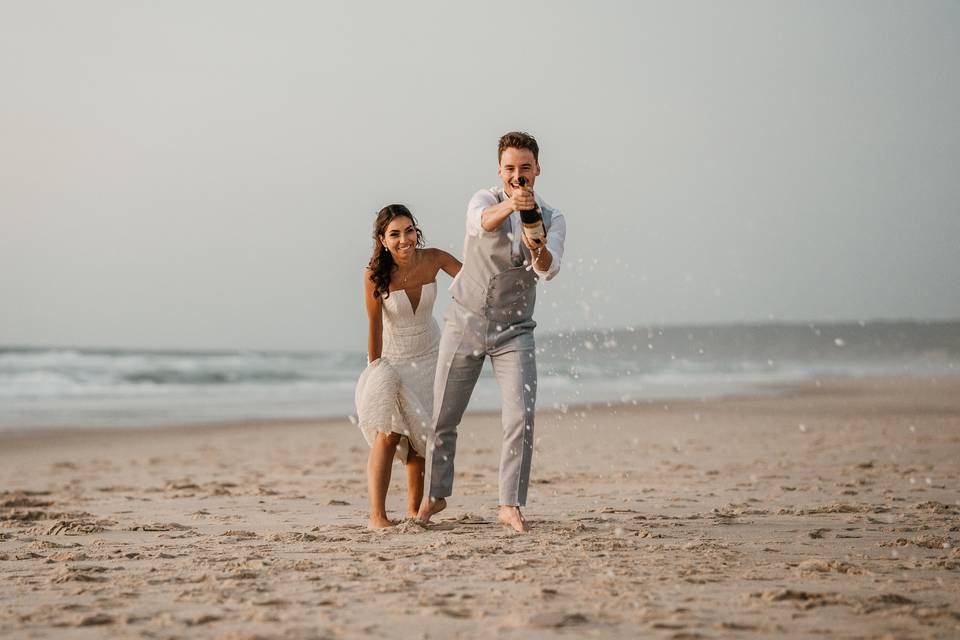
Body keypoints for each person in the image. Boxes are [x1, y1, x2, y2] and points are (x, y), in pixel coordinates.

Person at [417, 131, 567, 532]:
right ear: (499, 171)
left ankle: (510, 504)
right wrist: (511, 208)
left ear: (537, 170)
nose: (517, 175)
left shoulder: (553, 217)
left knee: (521, 416)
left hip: (515, 332)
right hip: (464, 322)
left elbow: (547, 270)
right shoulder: (483, 200)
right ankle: (434, 494)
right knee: (443, 416)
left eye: (525, 168)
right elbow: (481, 224)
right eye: (509, 169)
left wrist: (540, 249)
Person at [355, 204, 461, 529]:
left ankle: (415, 513)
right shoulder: (374, 274)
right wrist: (375, 370)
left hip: (431, 354)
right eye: (395, 234)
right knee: (388, 435)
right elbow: (373, 327)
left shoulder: (435, 258)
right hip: (394, 359)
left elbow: (474, 280)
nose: (405, 239)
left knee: (420, 439)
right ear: (382, 239)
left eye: (409, 230)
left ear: (417, 230)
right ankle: (377, 516)